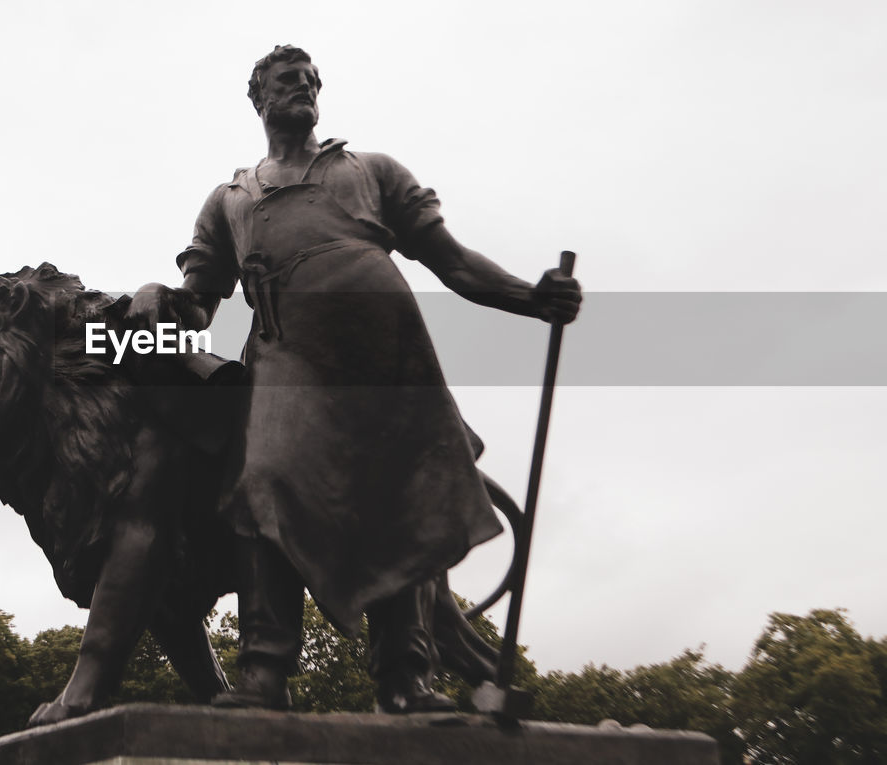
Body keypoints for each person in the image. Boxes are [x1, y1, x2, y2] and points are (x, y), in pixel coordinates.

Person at [127, 45, 581, 713]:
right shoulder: (230, 198)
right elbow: (200, 302)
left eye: (311, 80)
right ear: (259, 99)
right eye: (288, 80)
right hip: (287, 359)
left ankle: (406, 678)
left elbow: (451, 261)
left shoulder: (372, 171)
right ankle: (263, 672)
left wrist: (532, 296)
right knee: (264, 484)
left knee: (398, 503)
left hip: (388, 360)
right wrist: (151, 300)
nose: (303, 87)